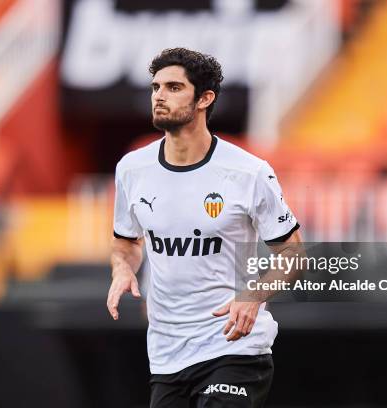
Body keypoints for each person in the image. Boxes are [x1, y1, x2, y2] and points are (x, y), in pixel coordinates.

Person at [107, 47, 302, 408]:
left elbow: (292, 251)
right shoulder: (131, 169)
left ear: (204, 98)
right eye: (155, 87)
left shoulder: (249, 172)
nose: (159, 96)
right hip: (167, 353)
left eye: (173, 87)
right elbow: (126, 242)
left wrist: (253, 296)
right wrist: (122, 269)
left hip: (233, 344)